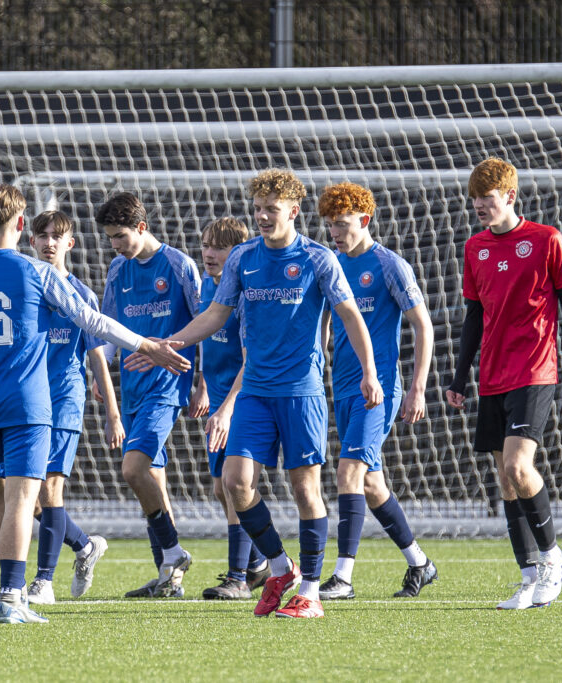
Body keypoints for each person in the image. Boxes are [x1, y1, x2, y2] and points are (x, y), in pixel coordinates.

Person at [0, 183, 189, 624]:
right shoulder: (39, 275)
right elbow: (90, 320)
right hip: (29, 405)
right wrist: (146, 344)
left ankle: (13, 592)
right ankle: (12, 599)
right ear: (22, 226)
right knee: (25, 500)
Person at [127, 169, 384, 618]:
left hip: (301, 394)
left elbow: (350, 317)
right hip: (254, 394)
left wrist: (370, 372)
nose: (263, 217)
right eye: (258, 209)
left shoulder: (319, 259)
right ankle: (280, 568)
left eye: (272, 209)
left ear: (293, 211)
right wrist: (169, 345)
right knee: (235, 483)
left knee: (306, 490)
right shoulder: (243, 257)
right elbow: (215, 314)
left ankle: (310, 591)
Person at [446, 158, 562, 610]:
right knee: (505, 482)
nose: (479, 207)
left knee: (517, 467)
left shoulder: (546, 239)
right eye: (474, 200)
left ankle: (552, 558)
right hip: (492, 375)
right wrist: (459, 375)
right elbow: (474, 316)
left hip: (535, 370)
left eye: (486, 199)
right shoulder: (475, 248)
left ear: (510, 196)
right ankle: (530, 576)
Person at [315, 182, 438, 600]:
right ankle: (420, 563)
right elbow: (329, 319)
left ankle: (343, 578)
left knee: (348, 472)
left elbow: (424, 326)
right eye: (330, 225)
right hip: (343, 389)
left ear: (364, 221)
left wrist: (417, 389)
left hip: (379, 390)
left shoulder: (389, 265)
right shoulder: (331, 263)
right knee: (370, 484)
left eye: (343, 224)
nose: (335, 232)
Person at [97, 191, 202, 598]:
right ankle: (169, 577)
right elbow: (107, 325)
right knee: (152, 478)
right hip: (132, 388)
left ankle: (174, 551)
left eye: (120, 236)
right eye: (110, 239)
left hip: (166, 388)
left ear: (142, 227)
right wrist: (101, 367)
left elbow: (207, 323)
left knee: (133, 469)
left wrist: (202, 385)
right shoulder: (117, 270)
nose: (115, 245)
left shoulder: (177, 265)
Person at [25, 210, 119, 605]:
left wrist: (113, 413)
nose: (49, 242)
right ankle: (84, 546)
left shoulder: (82, 294)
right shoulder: (24, 288)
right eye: (42, 235)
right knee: (26, 497)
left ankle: (43, 582)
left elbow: (97, 355)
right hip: (26, 399)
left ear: (70, 243)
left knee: (50, 487)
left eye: (56, 236)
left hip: (65, 397)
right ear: (30, 241)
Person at [192, 217, 269, 600]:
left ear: (236, 253)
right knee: (224, 490)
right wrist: (203, 386)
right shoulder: (209, 286)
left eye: (218, 247)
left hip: (243, 398)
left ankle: (239, 577)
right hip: (217, 397)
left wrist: (226, 408)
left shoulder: (245, 292)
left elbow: (248, 357)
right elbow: (210, 343)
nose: (209, 253)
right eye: (206, 245)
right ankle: (260, 562)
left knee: (235, 483)